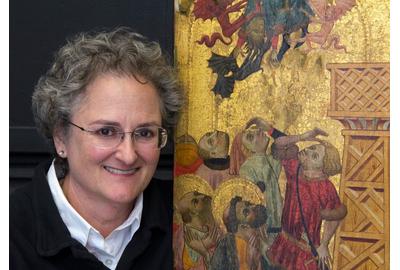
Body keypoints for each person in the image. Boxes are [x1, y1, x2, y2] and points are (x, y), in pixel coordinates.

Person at [10, 27, 183, 270]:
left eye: (145, 133)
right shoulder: (10, 234)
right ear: (61, 137)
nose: (128, 155)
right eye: (106, 132)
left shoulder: (192, 218)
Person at [264, 126, 347, 270]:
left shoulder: (326, 187)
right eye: (312, 147)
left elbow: (336, 215)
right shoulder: (294, 167)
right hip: (284, 242)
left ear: (323, 167)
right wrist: (302, 136)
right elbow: (278, 144)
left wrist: (324, 244)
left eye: (315, 156)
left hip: (304, 250)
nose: (308, 151)